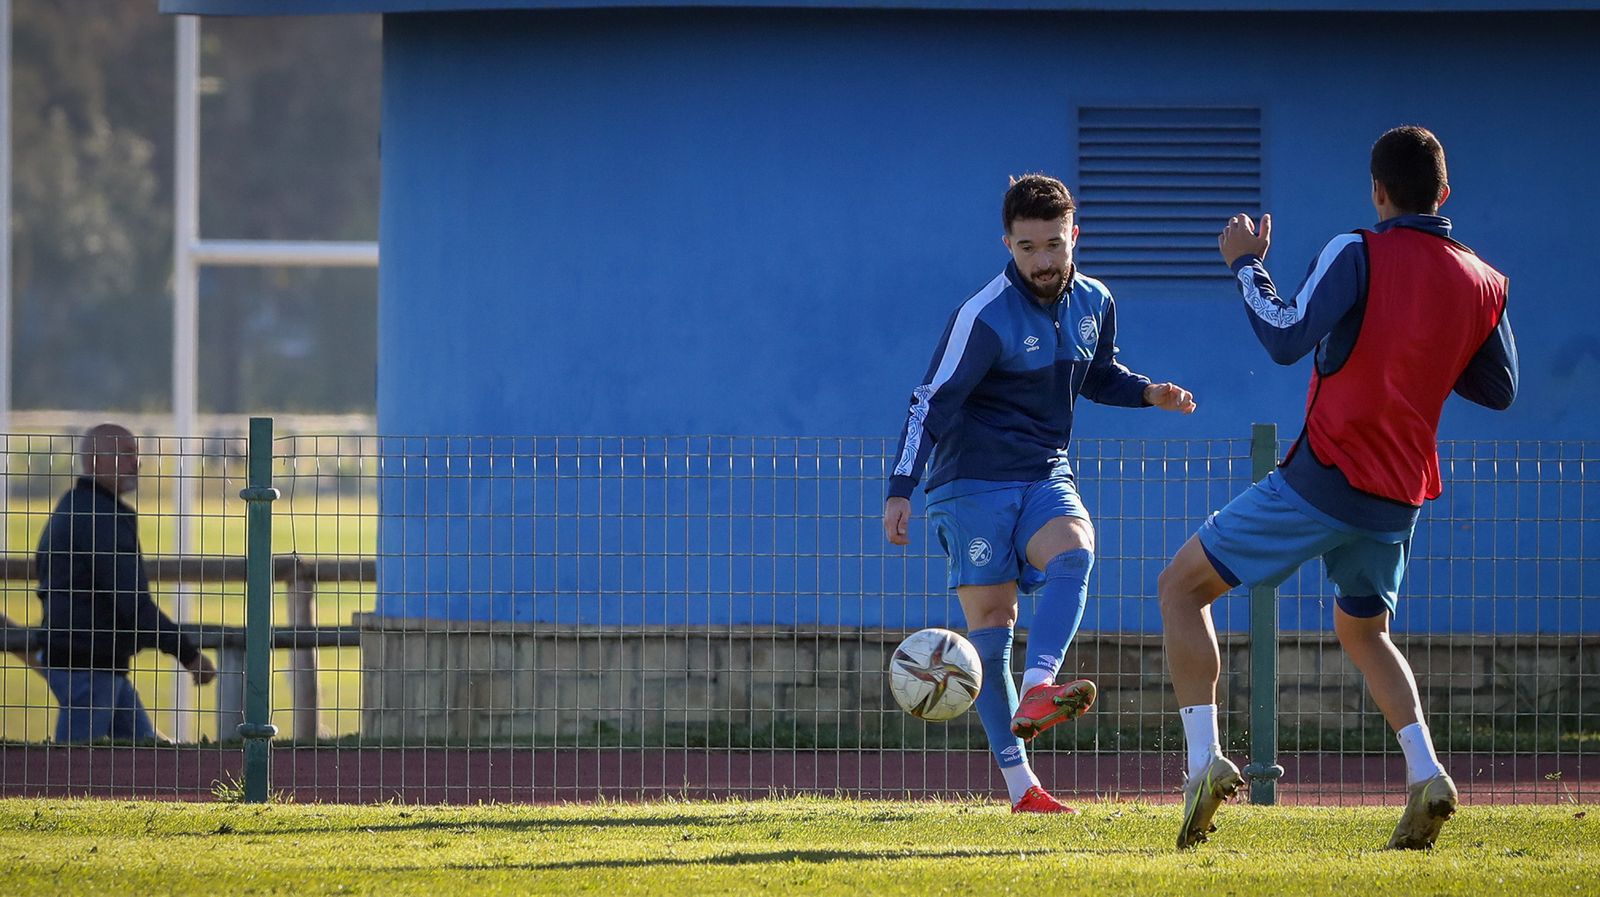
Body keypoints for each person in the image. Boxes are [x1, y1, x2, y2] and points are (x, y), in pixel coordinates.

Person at [1158, 126, 1518, 849]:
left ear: (1378, 191)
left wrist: (1246, 265)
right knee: (1363, 628)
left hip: (1325, 476)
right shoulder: (1485, 280)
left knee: (1181, 587)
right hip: (1400, 494)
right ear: (1444, 193)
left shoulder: (1357, 248)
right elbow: (1499, 387)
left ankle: (1204, 762)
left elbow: (1286, 335)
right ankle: (1425, 772)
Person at [885, 174, 1196, 813]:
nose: (1043, 261)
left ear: (1073, 234)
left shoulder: (1096, 300)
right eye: (1027, 248)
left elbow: (1099, 372)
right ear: (1008, 242)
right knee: (993, 628)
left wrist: (1146, 392)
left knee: (1075, 550)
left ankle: (1040, 686)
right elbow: (928, 403)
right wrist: (900, 488)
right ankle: (1021, 786)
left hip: (1045, 469)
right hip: (968, 482)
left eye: (1053, 244)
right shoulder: (983, 315)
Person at [34, 423, 217, 743]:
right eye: (126, 453)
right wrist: (188, 654)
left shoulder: (78, 507)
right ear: (94, 460)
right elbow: (133, 601)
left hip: (89, 658)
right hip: (88, 662)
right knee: (73, 760)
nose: (137, 462)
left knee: (142, 747)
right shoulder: (98, 518)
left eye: (136, 453)